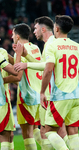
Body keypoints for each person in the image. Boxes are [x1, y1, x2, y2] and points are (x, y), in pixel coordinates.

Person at [14, 16, 68, 149]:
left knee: (46, 131)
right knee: (57, 130)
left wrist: (25, 63)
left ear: (43, 29)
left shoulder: (50, 44)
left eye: (36, 28)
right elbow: (43, 65)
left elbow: (47, 68)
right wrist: (27, 56)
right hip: (57, 92)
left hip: (48, 93)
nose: (34, 31)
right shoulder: (40, 47)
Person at [40, 15, 79, 150]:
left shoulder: (52, 45)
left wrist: (41, 92)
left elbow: (48, 70)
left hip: (60, 95)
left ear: (56, 28)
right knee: (73, 132)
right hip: (76, 95)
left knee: (49, 130)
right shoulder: (76, 46)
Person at [4, 23, 42, 150]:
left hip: (27, 96)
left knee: (27, 134)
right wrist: (6, 57)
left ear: (18, 36)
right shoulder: (35, 48)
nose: (12, 37)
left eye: (13, 34)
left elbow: (17, 76)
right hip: (38, 94)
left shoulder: (19, 52)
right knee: (36, 128)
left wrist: (0, 80)